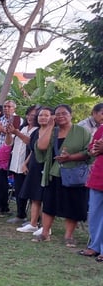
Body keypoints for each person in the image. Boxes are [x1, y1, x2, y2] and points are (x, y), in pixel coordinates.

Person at [32, 104, 91, 246]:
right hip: (54, 173)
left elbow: (88, 152)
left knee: (72, 204)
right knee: (49, 204)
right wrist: (50, 126)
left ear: (71, 115)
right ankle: (45, 233)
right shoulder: (53, 131)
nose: (60, 116)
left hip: (74, 174)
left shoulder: (82, 132)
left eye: (64, 113)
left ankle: (68, 236)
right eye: (57, 114)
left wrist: (70, 157)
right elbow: (41, 147)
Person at [0, 100, 22, 217]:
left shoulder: (18, 120)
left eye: (9, 106)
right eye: (5, 106)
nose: (7, 108)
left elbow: (14, 135)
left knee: (5, 184)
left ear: (14, 108)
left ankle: (3, 207)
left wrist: (3, 130)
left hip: (11, 154)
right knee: (0, 184)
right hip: (0, 154)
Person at [17, 107, 48, 234]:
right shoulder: (36, 132)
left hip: (46, 167)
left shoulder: (54, 132)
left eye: (46, 115)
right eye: (40, 115)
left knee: (45, 198)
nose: (42, 117)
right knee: (34, 196)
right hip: (34, 166)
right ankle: (33, 223)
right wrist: (25, 163)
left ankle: (46, 227)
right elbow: (33, 150)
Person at [6, 106, 38, 224]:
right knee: (19, 190)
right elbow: (9, 143)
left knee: (29, 192)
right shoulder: (22, 127)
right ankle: (20, 215)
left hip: (29, 164)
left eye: (34, 115)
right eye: (29, 114)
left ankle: (34, 219)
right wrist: (9, 133)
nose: (31, 117)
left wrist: (16, 132)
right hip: (16, 163)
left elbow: (31, 143)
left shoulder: (38, 130)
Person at [81, 124, 103, 261]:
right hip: (99, 176)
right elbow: (91, 148)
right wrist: (94, 150)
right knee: (94, 213)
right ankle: (95, 246)